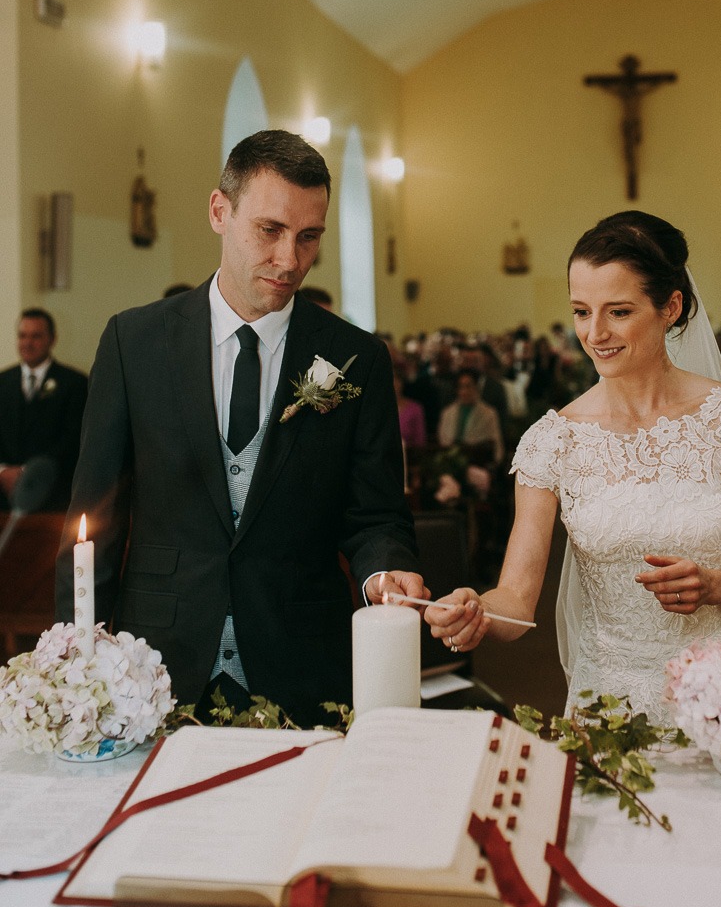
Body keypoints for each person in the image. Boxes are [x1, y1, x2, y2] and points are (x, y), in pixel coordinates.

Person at [54, 130, 425, 724]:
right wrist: (76, 658)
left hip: (302, 658)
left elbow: (375, 515)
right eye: (270, 231)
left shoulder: (356, 359)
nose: (290, 260)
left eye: (309, 238)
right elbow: (95, 516)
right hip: (153, 665)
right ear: (219, 212)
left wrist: (385, 572)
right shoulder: (135, 342)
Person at [425, 211, 721, 722]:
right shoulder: (553, 441)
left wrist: (718, 586)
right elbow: (517, 600)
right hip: (612, 704)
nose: (595, 333)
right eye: (581, 312)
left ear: (670, 307)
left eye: (619, 312)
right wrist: (478, 609)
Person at [0, 309, 88, 511]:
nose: (28, 343)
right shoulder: (2, 382)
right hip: (3, 496)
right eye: (22, 336)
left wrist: (27, 472)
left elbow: (73, 438)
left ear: (52, 339)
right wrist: (3, 471)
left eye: (36, 336)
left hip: (53, 495)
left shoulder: (74, 384)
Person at [437, 370, 504, 464]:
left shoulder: (488, 413)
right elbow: (443, 440)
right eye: (461, 387)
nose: (464, 391)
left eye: (468, 386)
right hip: (451, 460)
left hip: (478, 461)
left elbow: (495, 443)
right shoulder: (447, 413)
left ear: (476, 388)